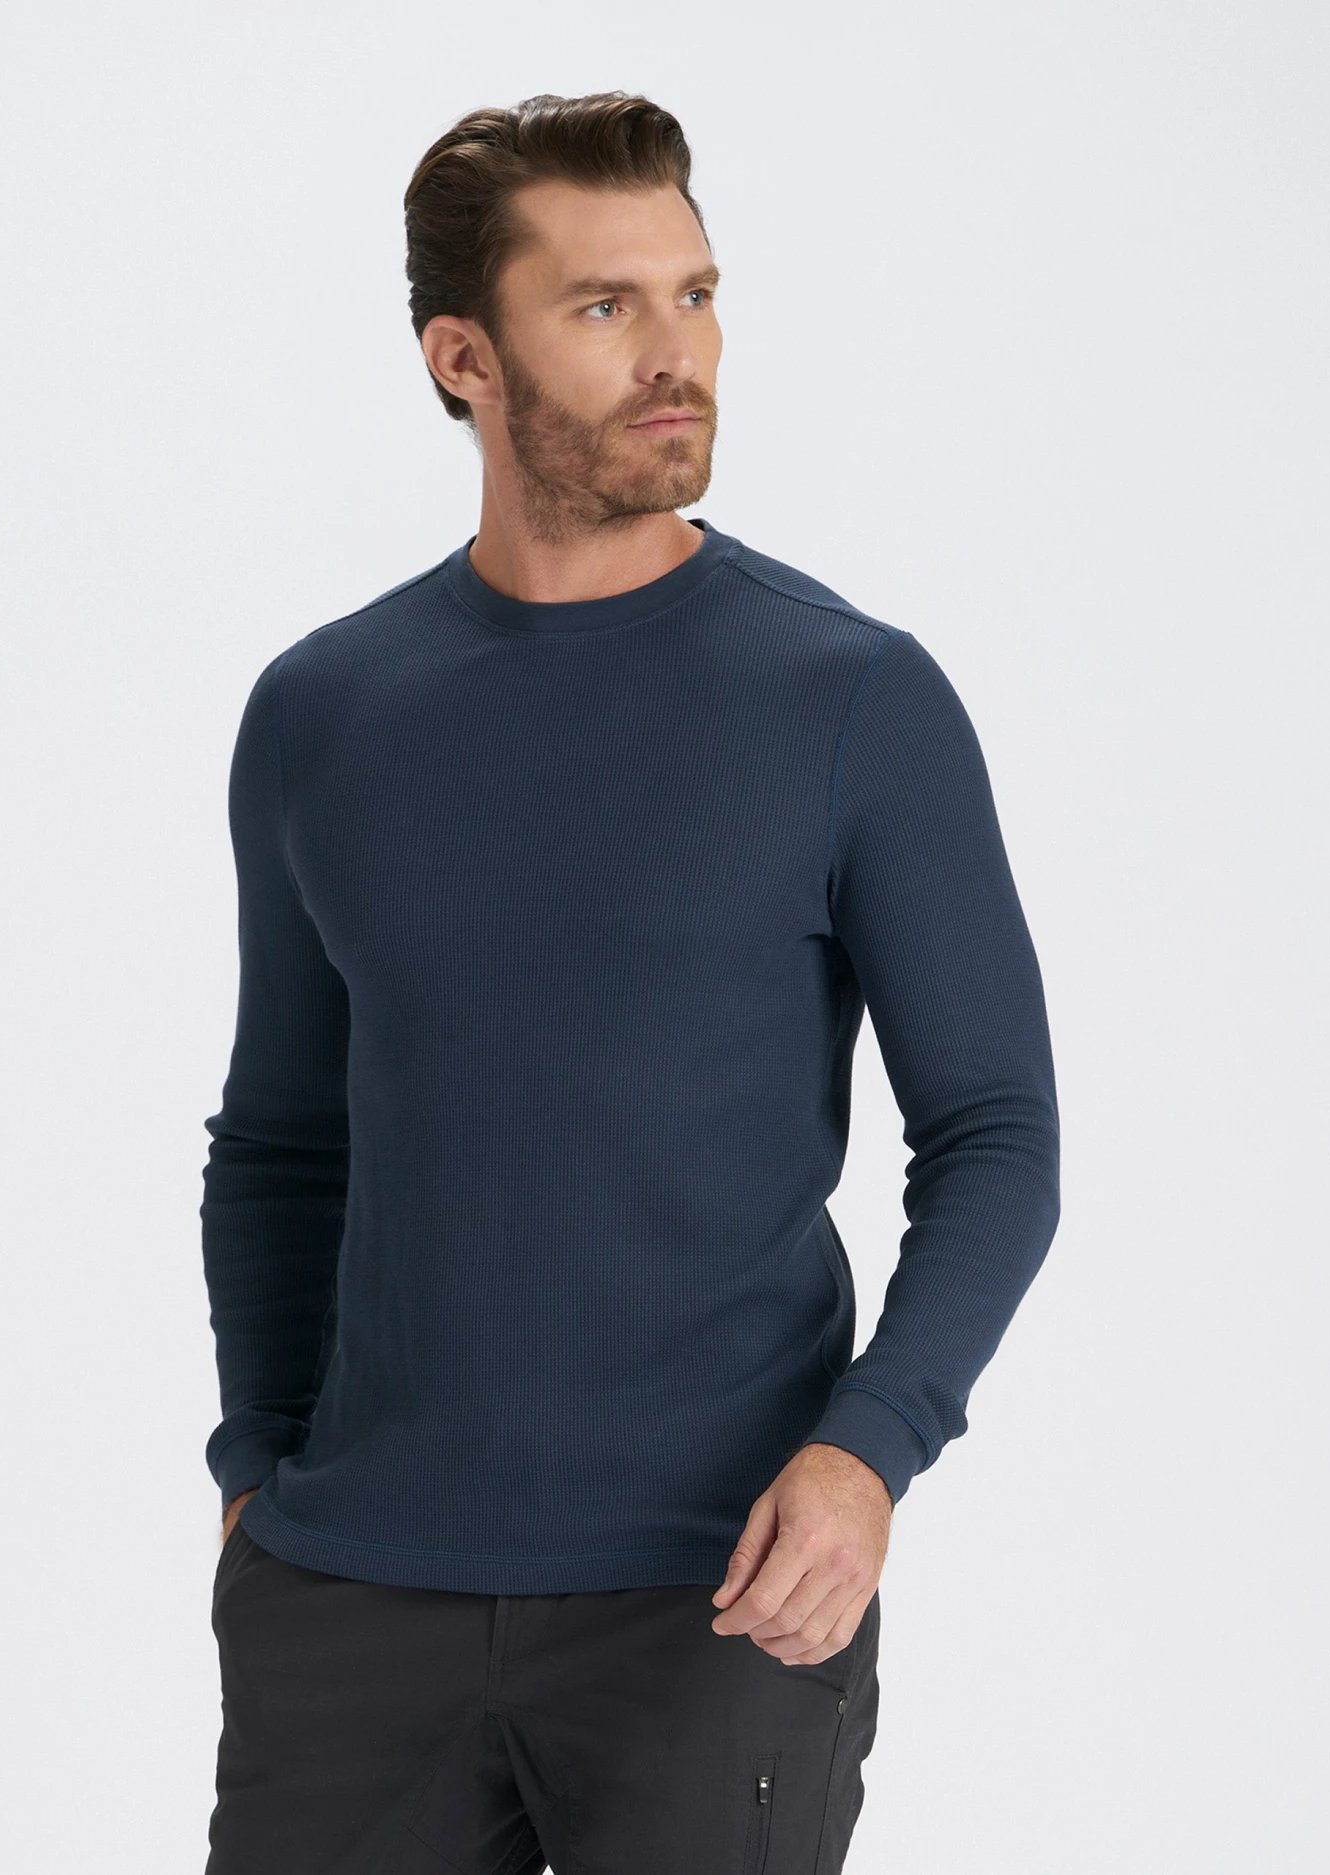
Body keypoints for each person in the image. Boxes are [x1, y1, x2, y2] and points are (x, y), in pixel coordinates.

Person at [200, 89, 1060, 1875]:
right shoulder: (322, 715)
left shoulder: (851, 699)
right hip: (352, 1597)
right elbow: (280, 1141)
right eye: (605, 306)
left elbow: (995, 1131)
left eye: (696, 294)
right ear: (464, 358)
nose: (678, 353)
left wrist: (869, 1452)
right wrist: (256, 1471)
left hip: (718, 1596)